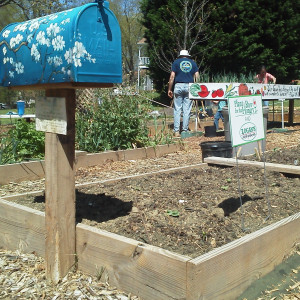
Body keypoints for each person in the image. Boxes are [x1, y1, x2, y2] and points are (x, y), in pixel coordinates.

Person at [168, 50, 199, 137]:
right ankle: (184, 130)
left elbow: (172, 76)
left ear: (180, 56)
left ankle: (176, 131)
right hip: (189, 86)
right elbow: (197, 76)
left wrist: (169, 89)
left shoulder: (176, 62)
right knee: (187, 110)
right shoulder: (193, 63)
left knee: (177, 109)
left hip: (178, 86)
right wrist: (196, 89)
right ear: (187, 56)